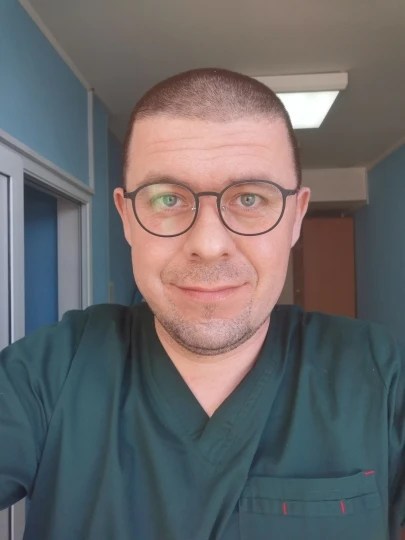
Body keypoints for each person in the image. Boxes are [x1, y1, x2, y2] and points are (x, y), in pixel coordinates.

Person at [0, 68, 404, 540]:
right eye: (167, 199)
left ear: (296, 217)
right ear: (127, 217)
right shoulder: (47, 374)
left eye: (249, 198)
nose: (209, 245)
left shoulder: (378, 372)